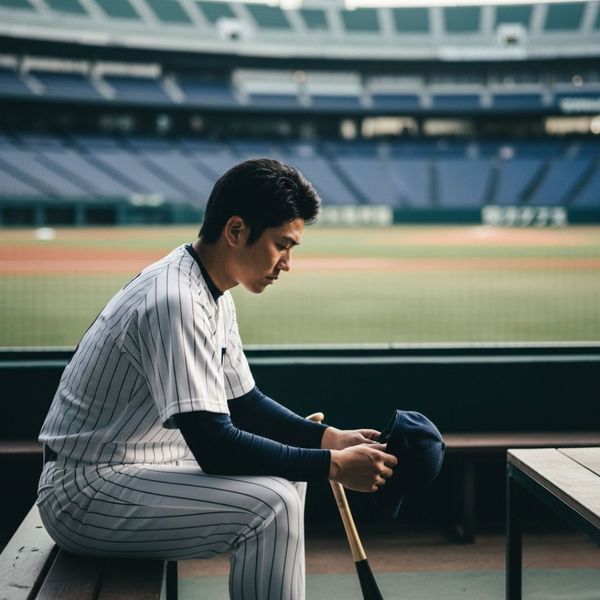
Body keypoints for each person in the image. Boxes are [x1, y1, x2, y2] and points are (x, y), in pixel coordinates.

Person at [37, 158, 397, 600]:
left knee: (289, 478)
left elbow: (245, 403)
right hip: (86, 489)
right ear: (236, 231)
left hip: (141, 463)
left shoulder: (210, 286)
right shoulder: (176, 300)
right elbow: (214, 446)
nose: (287, 263)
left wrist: (329, 439)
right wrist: (333, 467)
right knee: (274, 506)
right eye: (282, 245)